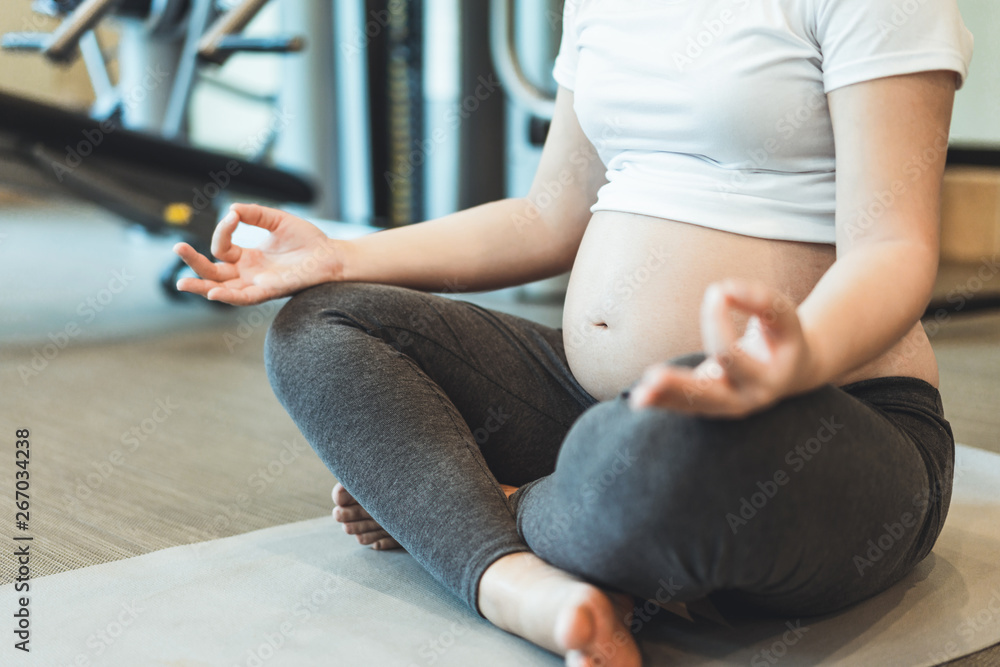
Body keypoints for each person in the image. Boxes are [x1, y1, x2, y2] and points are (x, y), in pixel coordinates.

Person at [174, 0, 974, 664]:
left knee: (659, 454)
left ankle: (478, 508)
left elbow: (894, 248)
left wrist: (794, 359)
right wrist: (342, 256)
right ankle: (518, 581)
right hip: (596, 400)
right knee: (322, 324)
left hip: (819, 415)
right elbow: (548, 215)